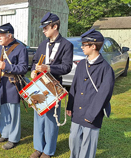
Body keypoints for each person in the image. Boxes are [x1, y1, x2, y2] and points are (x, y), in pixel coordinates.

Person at [30, 12, 73, 158]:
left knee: (50, 119)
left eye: (46, 27)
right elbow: (35, 62)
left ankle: (48, 150)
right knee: (38, 115)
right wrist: (32, 71)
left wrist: (48, 68)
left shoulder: (67, 45)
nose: (43, 31)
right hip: (39, 85)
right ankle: (38, 147)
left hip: (54, 85)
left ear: (55, 26)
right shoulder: (43, 44)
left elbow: (67, 67)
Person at [66, 29, 114, 158]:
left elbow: (104, 94)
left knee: (87, 146)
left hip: (92, 114)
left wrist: (91, 114)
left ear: (93, 46)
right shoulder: (81, 64)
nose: (81, 47)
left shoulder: (106, 69)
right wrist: (70, 106)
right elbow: (74, 86)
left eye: (84, 45)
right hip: (77, 111)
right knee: (74, 140)